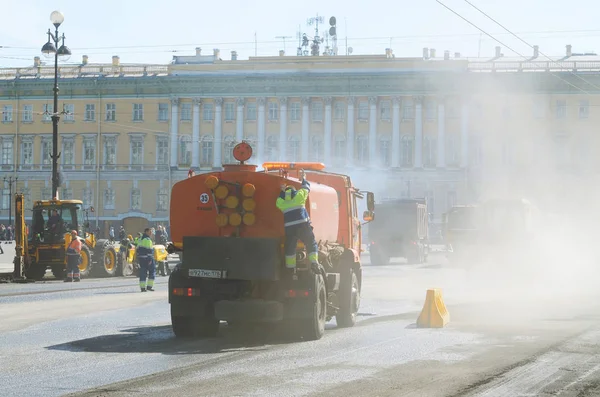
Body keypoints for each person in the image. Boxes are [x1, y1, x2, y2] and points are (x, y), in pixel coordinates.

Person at [275, 170, 319, 270]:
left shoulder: (282, 203)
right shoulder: (299, 196)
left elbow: (278, 202)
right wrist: (303, 178)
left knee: (290, 247)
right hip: (303, 225)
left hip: (290, 227)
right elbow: (306, 188)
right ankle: (314, 263)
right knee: (310, 242)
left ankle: (290, 269)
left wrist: (282, 191)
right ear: (294, 191)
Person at [136, 228, 155, 292]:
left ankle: (142, 288)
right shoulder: (147, 239)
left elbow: (138, 249)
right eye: (150, 231)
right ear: (146, 232)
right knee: (152, 272)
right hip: (148, 258)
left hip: (141, 258)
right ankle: (149, 286)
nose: (151, 233)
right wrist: (150, 259)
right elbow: (149, 250)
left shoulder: (140, 239)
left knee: (143, 273)